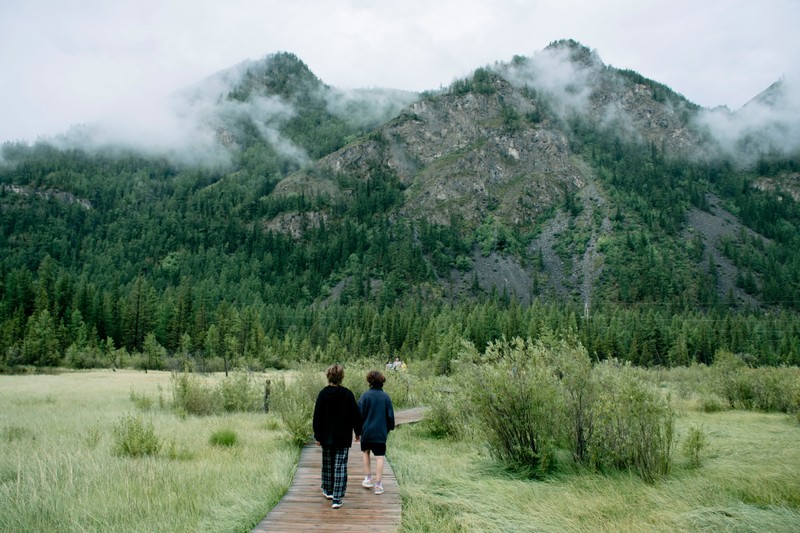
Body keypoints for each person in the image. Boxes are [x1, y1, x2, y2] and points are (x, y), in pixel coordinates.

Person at [313, 364, 362, 509]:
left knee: (327, 464)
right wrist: (357, 432)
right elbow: (355, 415)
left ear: (328, 376)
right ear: (341, 377)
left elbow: (317, 417)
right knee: (340, 466)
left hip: (326, 436)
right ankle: (337, 498)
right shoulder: (347, 394)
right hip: (343, 436)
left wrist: (318, 435)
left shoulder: (323, 394)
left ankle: (328, 490)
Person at [358, 370, 395, 495]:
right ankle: (378, 485)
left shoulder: (365, 396)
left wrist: (357, 431)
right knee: (380, 457)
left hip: (367, 432)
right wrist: (389, 428)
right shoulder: (385, 397)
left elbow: (359, 415)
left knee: (366, 452)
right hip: (380, 432)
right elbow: (390, 416)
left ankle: (368, 478)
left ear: (370, 382)